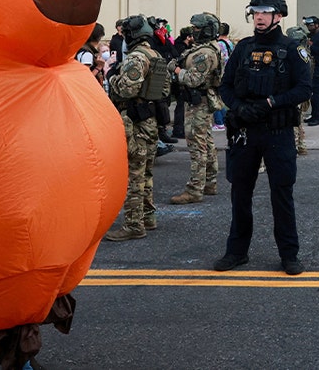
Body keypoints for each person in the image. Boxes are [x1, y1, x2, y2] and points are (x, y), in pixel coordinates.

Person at [215, 0, 312, 275]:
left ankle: (289, 255)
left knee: (281, 193)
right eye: (255, 12)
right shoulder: (243, 48)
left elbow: (304, 88)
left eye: (265, 12)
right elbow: (226, 85)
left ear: (278, 16)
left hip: (277, 132)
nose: (259, 17)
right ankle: (236, 251)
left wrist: (271, 102)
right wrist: (239, 108)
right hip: (245, 131)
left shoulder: (292, 49)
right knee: (240, 192)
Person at [104, 15, 171, 241]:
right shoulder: (155, 55)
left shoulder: (136, 58)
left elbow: (126, 90)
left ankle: (134, 224)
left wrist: (110, 76)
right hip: (149, 119)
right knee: (146, 171)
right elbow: (164, 91)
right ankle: (148, 217)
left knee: (134, 174)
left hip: (135, 122)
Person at [169, 14, 223, 204]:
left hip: (198, 103)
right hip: (200, 102)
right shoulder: (206, 49)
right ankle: (209, 182)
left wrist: (177, 71)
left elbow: (194, 79)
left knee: (197, 146)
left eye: (198, 28)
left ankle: (195, 189)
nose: (194, 31)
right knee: (206, 143)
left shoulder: (205, 53)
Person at [285, 25, 312, 155]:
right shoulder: (304, 52)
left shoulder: (295, 53)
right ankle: (301, 145)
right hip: (302, 90)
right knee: (299, 119)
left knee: (294, 120)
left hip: (295, 91)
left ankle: (294, 147)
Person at [302, 16, 319, 126]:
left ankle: (318, 118)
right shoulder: (310, 36)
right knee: (312, 93)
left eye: (311, 25)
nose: (309, 27)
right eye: (308, 25)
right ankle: (313, 115)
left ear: (317, 25)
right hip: (312, 68)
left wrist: (311, 46)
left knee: (316, 93)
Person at [213, 22, 235, 131]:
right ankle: (225, 119)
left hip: (221, 74)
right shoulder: (229, 43)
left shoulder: (219, 44)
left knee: (215, 99)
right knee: (222, 99)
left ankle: (219, 122)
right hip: (229, 73)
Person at [75, 23, 107, 88]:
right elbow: (86, 77)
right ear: (99, 37)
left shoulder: (81, 48)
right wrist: (99, 67)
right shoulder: (87, 54)